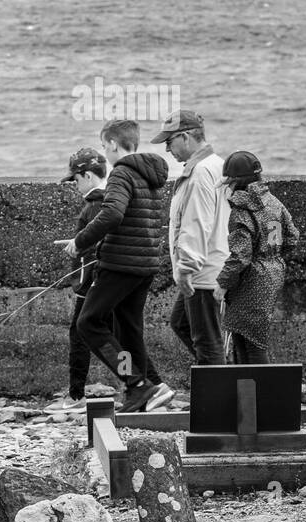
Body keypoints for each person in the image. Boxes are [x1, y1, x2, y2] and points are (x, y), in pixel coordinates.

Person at [62, 119, 174, 414]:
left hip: (122, 263)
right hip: (146, 263)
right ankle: (149, 388)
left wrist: (81, 241)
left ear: (112, 144)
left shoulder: (122, 173)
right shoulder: (148, 175)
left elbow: (112, 214)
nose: (104, 151)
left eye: (103, 145)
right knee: (128, 329)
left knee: (89, 323)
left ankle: (136, 384)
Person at [151, 109, 229, 368]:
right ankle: (224, 378)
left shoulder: (200, 173)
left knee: (207, 344)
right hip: (211, 266)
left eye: (169, 141)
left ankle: (221, 394)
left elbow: (196, 224)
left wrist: (185, 269)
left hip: (202, 273)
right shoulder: (217, 165)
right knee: (181, 323)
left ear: (185, 137)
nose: (167, 149)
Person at [213, 151, 300, 364]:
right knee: (248, 335)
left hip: (252, 279)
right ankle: (249, 394)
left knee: (251, 343)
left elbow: (241, 255)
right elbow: (292, 237)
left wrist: (222, 283)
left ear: (235, 182)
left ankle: (261, 393)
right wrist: (271, 255)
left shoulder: (242, 210)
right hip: (273, 272)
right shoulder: (272, 201)